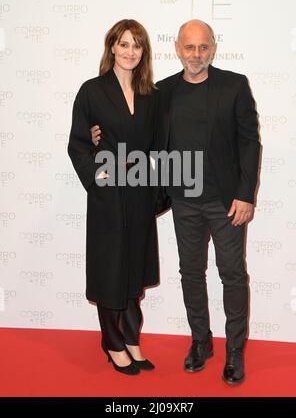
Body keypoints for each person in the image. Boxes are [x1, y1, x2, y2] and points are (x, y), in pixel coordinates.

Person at [91, 19, 260, 385]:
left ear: (213, 48)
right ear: (177, 49)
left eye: (203, 48)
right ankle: (201, 342)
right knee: (191, 274)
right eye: (189, 47)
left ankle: (234, 351)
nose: (196, 55)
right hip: (183, 200)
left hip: (227, 202)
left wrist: (246, 194)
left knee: (232, 274)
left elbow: (250, 141)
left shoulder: (234, 85)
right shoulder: (161, 92)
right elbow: (134, 130)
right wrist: (97, 133)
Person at [68, 19, 159, 375]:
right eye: (124, 44)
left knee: (134, 267)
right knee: (110, 268)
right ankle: (112, 342)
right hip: (108, 196)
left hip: (139, 193)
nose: (130, 52)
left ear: (143, 52)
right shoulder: (91, 91)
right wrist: (94, 173)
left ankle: (132, 339)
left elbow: (159, 143)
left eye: (137, 45)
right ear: (111, 48)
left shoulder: (152, 95)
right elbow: (78, 142)